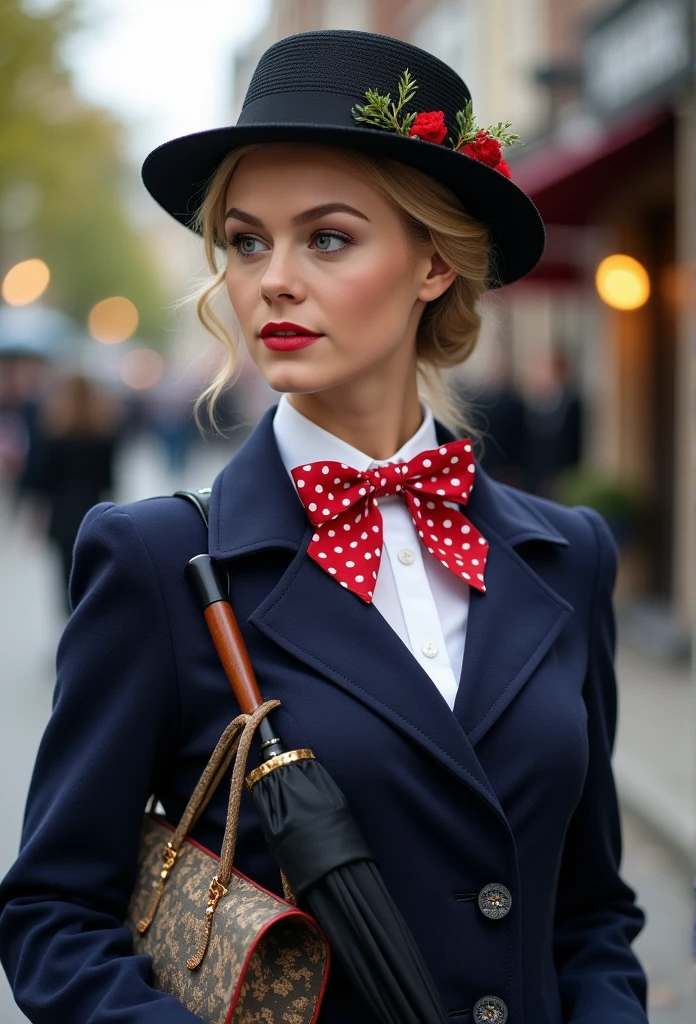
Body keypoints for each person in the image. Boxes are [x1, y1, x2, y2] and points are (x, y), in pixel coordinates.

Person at [0, 29, 648, 1024]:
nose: (272, 279)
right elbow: (53, 912)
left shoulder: (565, 555)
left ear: (432, 262)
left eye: (329, 237)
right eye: (248, 240)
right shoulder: (161, 561)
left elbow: (590, 909)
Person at [20, 372, 122, 613]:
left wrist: (33, 519)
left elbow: (41, 481)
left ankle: (70, 629)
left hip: (61, 514)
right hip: (92, 511)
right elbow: (109, 480)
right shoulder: (104, 435)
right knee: (91, 575)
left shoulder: (54, 435)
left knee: (65, 577)